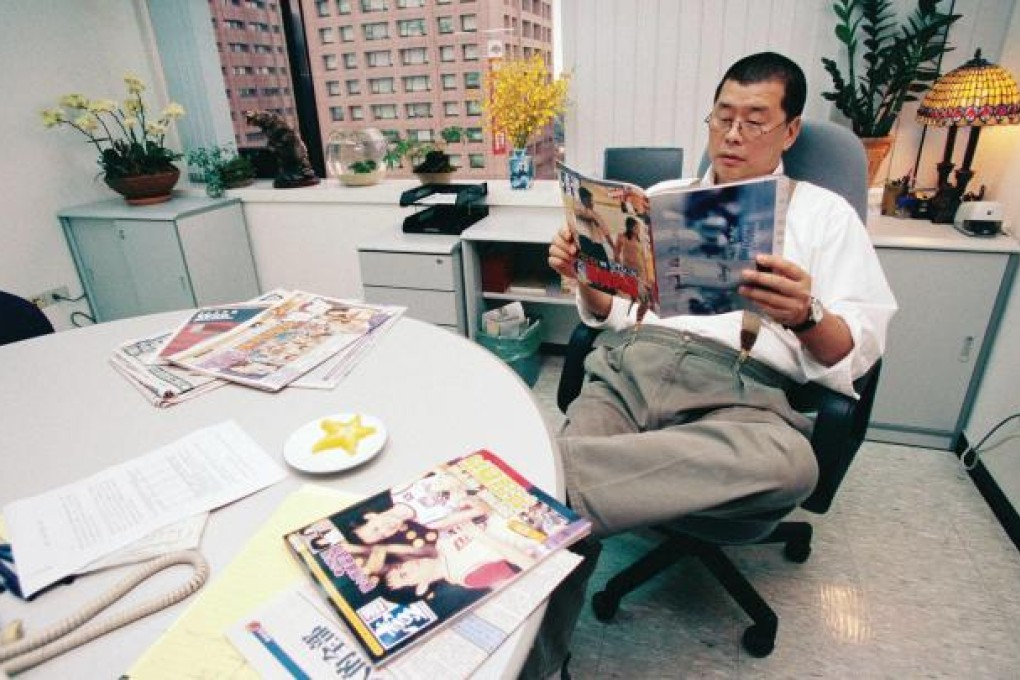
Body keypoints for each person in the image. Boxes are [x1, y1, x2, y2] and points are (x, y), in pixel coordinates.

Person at [520, 51, 897, 679]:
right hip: (630, 367)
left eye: (754, 120)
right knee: (557, 535)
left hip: (744, 392)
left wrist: (804, 314)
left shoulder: (825, 216)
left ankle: (546, 485)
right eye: (722, 117)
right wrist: (583, 274)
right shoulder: (662, 199)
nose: (732, 134)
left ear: (791, 131)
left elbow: (853, 354)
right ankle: (540, 663)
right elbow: (610, 314)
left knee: (792, 463)